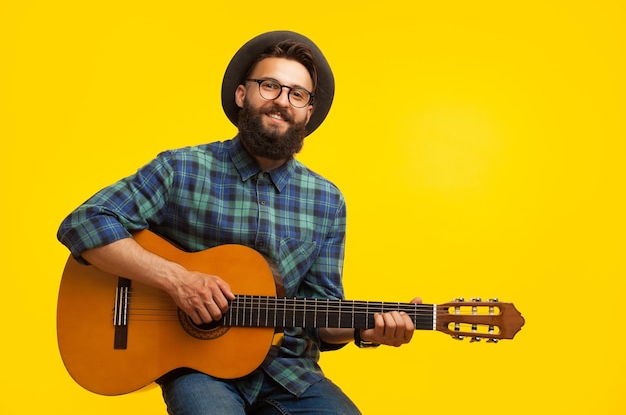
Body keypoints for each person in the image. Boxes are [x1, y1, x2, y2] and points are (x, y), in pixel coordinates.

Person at [57, 30, 420, 415]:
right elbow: (84, 223)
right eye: (270, 86)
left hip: (289, 374)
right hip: (198, 369)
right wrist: (177, 280)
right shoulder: (182, 168)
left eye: (297, 94)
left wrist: (367, 329)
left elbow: (323, 312)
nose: (282, 101)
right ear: (242, 95)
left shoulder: (327, 200)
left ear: (308, 113)